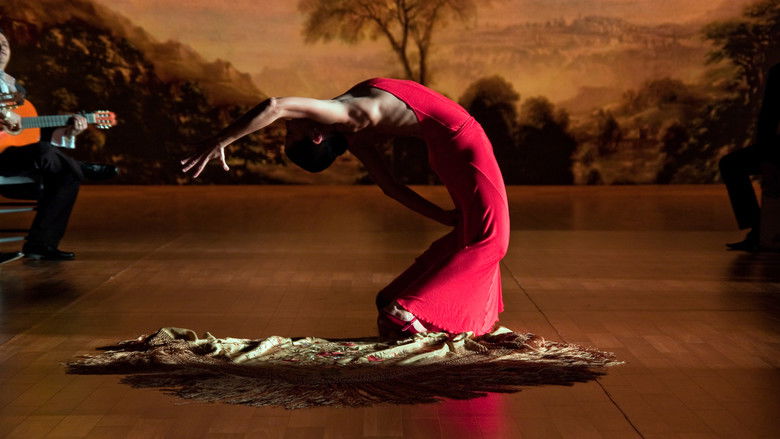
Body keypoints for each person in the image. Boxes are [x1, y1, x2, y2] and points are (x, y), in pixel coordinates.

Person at [182, 78, 510, 338]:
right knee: (493, 240)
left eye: (286, 131)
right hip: (464, 141)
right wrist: (220, 141)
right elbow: (275, 106)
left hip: (451, 148)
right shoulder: (346, 115)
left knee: (473, 233)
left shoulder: (353, 129)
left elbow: (392, 188)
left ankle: (393, 300)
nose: (287, 124)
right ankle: (403, 311)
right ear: (315, 136)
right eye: (290, 131)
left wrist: (444, 217)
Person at [0, 27, 118, 261]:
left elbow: (28, 135)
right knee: (54, 158)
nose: (2, 48)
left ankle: (41, 245)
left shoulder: (16, 90)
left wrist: (68, 131)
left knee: (66, 174)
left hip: (14, 158)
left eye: (4, 44)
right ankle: (82, 167)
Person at [719, 63, 780, 251]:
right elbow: (768, 118)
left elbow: (768, 117)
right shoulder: (778, 72)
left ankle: (759, 230)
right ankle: (759, 228)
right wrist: (767, 157)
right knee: (731, 165)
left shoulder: (778, 71)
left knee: (731, 164)